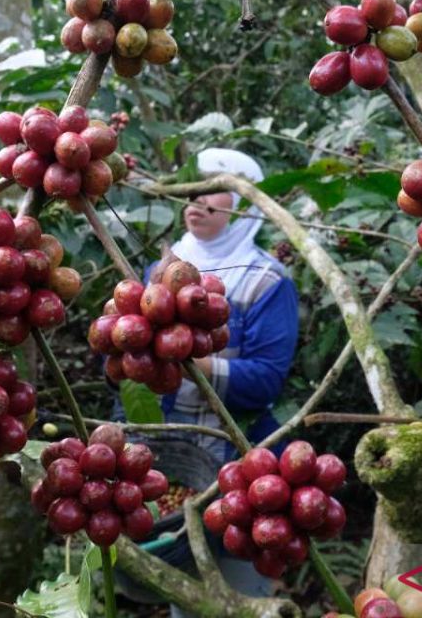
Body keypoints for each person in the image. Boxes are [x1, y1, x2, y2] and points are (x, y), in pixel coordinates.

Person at [152, 148, 300, 613]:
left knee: (235, 590)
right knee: (185, 589)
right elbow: (130, 366)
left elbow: (266, 381)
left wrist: (196, 359)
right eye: (194, 188)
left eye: (215, 189)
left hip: (239, 461)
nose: (197, 198)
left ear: (244, 206)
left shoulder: (266, 281)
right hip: (175, 458)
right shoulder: (162, 270)